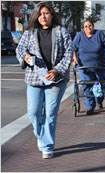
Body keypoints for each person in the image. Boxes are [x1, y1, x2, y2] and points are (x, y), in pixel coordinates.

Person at [15, 2, 73, 159]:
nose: (43, 16)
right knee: (33, 112)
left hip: (55, 79)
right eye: (40, 14)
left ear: (52, 15)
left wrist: (57, 70)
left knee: (50, 113)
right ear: (36, 16)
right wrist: (25, 57)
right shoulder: (29, 33)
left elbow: (69, 53)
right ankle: (41, 136)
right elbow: (20, 49)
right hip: (35, 79)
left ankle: (47, 145)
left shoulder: (62, 32)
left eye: (46, 13)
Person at [72, 19, 105, 113]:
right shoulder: (80, 36)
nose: (88, 28)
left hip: (99, 66)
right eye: (85, 26)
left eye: (90, 25)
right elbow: (73, 49)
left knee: (101, 85)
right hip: (84, 67)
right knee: (86, 86)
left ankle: (99, 101)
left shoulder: (99, 34)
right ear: (83, 28)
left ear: (93, 26)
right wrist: (75, 60)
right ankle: (90, 107)